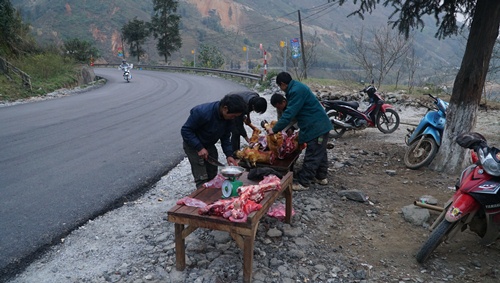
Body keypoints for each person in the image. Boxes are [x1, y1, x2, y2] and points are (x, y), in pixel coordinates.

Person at [267, 72, 333, 191]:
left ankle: (304, 182)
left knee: (312, 153)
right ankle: (321, 177)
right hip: (320, 126)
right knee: (320, 151)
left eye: (280, 86)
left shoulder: (296, 91)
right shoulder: (296, 88)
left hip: (316, 127)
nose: (281, 89)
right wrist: (291, 128)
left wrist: (274, 129)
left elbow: (289, 114)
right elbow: (296, 115)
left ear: (282, 84)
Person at [181, 94, 247, 188]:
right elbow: (185, 130)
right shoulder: (202, 112)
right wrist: (199, 147)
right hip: (193, 145)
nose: (234, 118)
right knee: (202, 177)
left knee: (213, 174)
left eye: (236, 116)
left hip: (209, 144)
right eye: (233, 115)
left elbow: (225, 136)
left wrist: (229, 155)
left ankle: (212, 195)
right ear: (225, 108)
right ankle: (203, 198)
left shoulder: (229, 119)